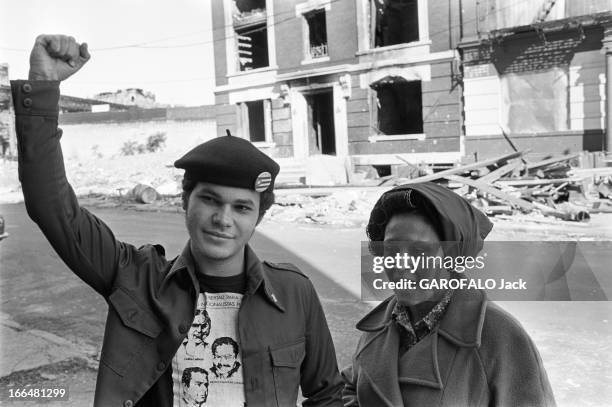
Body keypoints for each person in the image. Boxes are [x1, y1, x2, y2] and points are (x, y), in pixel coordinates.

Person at [12, 34, 343, 407]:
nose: (223, 219)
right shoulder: (135, 279)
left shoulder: (295, 294)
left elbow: (328, 394)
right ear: (186, 201)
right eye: (210, 200)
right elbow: (51, 206)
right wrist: (42, 87)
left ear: (258, 217)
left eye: (242, 207)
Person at [342, 182, 556, 407]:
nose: (401, 265)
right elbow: (350, 386)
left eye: (419, 251)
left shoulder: (500, 336)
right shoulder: (378, 328)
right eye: (391, 250)